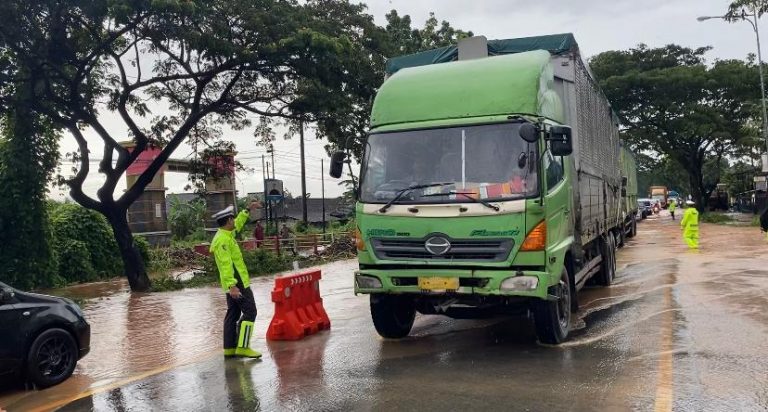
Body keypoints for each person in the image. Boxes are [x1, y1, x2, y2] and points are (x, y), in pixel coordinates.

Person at [210, 204, 262, 359]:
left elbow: (238, 224)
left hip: (232, 283)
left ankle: (230, 349)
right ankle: (243, 346)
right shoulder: (223, 241)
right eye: (232, 219)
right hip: (236, 283)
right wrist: (232, 286)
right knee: (250, 311)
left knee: (233, 314)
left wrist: (247, 210)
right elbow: (226, 265)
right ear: (228, 221)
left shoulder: (226, 235)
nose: (234, 222)